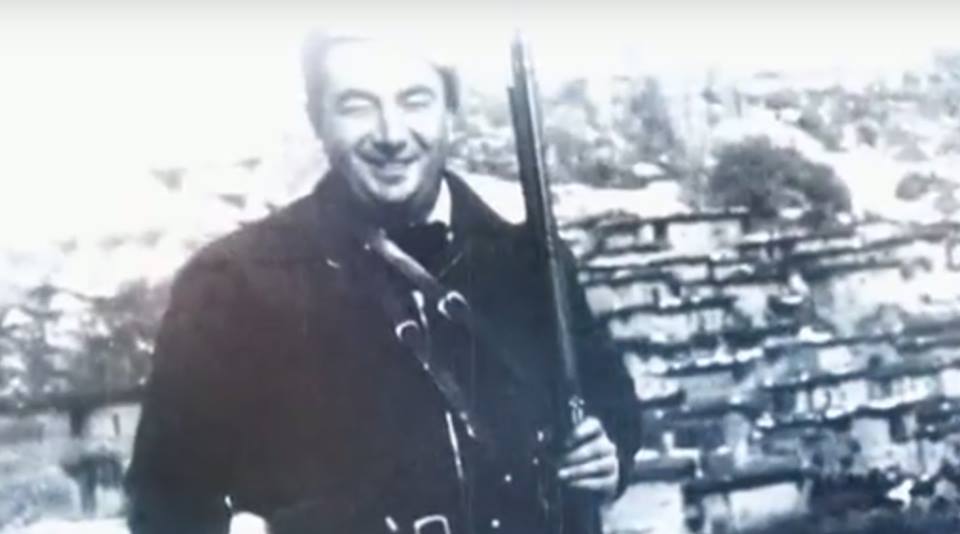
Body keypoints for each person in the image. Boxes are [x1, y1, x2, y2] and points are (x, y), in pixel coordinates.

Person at [125, 29, 640, 534]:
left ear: (451, 111)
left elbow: (610, 401)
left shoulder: (530, 263)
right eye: (357, 106)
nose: (391, 134)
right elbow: (166, 502)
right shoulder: (232, 286)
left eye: (415, 101)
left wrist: (608, 452)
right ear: (317, 119)